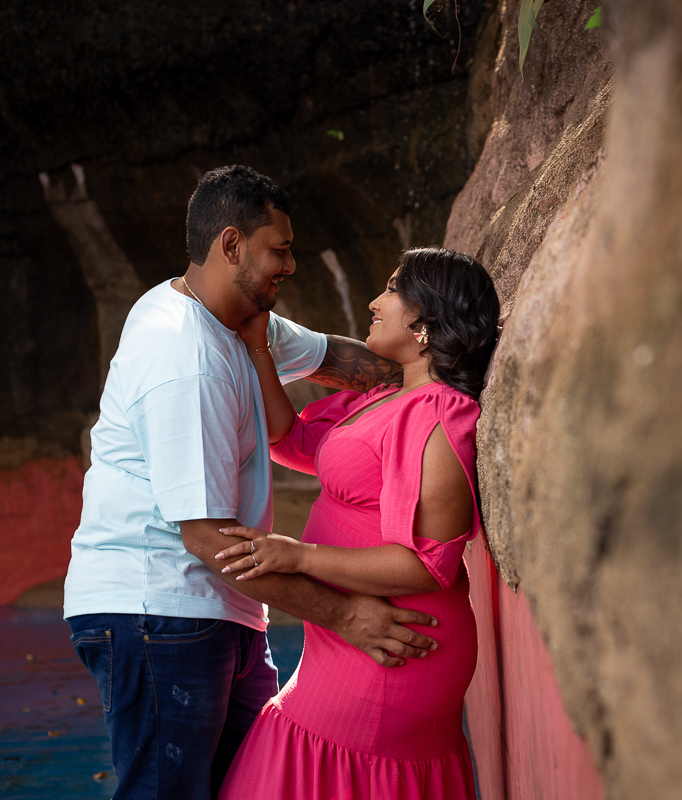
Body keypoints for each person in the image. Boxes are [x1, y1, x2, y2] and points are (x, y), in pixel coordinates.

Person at [63, 165, 439, 800]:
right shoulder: (187, 359)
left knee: (251, 786)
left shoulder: (239, 322)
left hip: (219, 610)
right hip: (158, 609)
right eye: (280, 249)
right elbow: (209, 540)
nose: (290, 265)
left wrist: (443, 373)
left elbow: (350, 364)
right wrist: (345, 614)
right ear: (231, 245)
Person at [214, 247, 499, 800]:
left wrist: (297, 556)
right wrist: (256, 346)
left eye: (392, 290)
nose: (374, 301)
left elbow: (427, 563)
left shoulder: (439, 414)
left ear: (426, 324)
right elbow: (291, 440)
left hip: (396, 640)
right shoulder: (389, 396)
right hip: (354, 637)